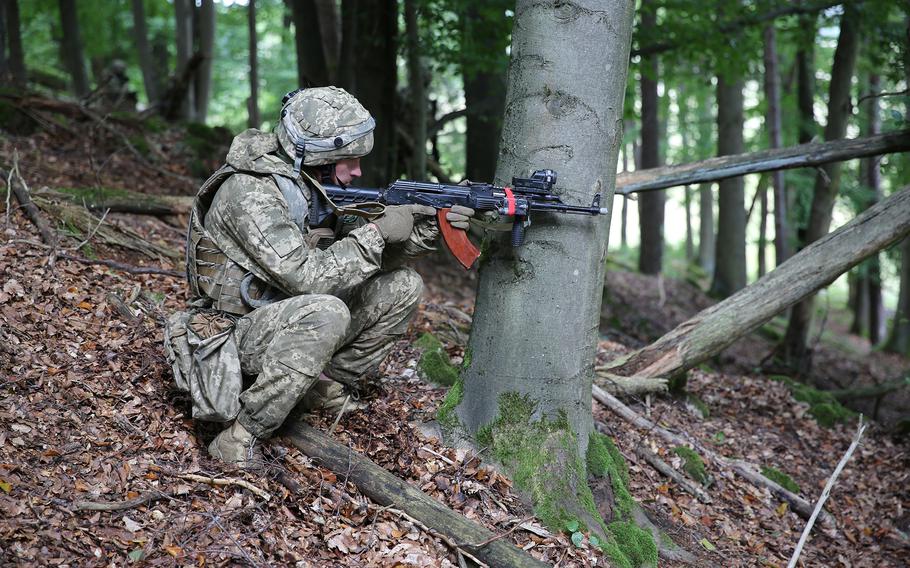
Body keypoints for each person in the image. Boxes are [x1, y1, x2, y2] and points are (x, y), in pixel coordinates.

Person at [163, 86, 475, 467]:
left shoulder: (310, 186)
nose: (358, 170)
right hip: (235, 328)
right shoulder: (248, 191)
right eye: (350, 159)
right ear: (318, 153)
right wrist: (375, 232)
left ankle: (316, 387)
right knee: (327, 310)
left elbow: (354, 262)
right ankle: (240, 434)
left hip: (286, 316)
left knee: (403, 286)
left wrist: (427, 225)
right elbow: (307, 278)